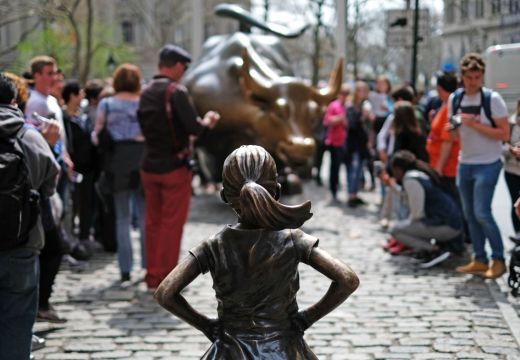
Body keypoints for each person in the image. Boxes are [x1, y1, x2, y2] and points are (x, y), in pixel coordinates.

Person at [154, 145, 360, 359]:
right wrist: (307, 318)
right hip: (284, 350)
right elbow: (347, 279)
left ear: (224, 196)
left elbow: (165, 293)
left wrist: (206, 325)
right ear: (277, 191)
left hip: (228, 350)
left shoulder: (213, 246)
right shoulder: (293, 240)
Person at [137, 44, 220, 289]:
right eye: (183, 67)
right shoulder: (176, 91)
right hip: (174, 166)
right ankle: (166, 277)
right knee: (171, 223)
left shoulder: (146, 91)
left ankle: (152, 274)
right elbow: (195, 129)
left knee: (152, 222)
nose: (184, 72)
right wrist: (208, 122)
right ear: (174, 65)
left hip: (149, 165)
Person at [0, 74, 60, 360]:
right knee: (18, 322)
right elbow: (49, 186)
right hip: (21, 242)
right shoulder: (28, 135)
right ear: (14, 100)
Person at [450, 53, 510, 279]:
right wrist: (453, 127)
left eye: (477, 77)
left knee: (482, 212)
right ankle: (479, 258)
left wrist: (474, 124)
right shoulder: (456, 99)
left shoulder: (492, 99)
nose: (473, 81)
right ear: (462, 77)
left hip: (488, 162)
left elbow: (504, 134)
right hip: (465, 162)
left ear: (482, 76)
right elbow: (455, 134)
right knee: (470, 214)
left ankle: (498, 258)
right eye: (469, 77)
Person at [92, 64, 145, 283]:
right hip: (141, 160)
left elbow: (96, 135)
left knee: (122, 217)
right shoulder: (143, 103)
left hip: (116, 162)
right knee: (143, 217)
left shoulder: (107, 103)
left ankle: (125, 268)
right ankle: (148, 264)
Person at [385, 150, 463, 267]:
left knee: (395, 230)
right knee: (405, 225)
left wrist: (405, 224)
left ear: (398, 169)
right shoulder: (419, 174)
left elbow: (417, 214)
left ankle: (433, 250)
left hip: (448, 226)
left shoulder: (411, 180)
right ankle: (429, 249)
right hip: (451, 223)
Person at [345, 81, 373, 207]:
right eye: (360, 90)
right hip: (353, 143)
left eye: (364, 90)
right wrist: (362, 116)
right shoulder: (350, 106)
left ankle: (355, 194)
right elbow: (351, 125)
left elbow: (368, 127)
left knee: (360, 169)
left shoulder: (366, 105)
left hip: (362, 143)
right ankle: (351, 195)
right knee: (354, 169)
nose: (362, 93)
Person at [323, 84, 349, 201]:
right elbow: (328, 121)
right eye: (343, 94)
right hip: (335, 142)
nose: (345, 97)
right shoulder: (334, 106)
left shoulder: (349, 107)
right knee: (335, 168)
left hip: (346, 142)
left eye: (347, 94)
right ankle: (333, 190)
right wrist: (341, 118)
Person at [504, 99, 520, 245]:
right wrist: (511, 150)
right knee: (515, 205)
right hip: (512, 170)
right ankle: (518, 237)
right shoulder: (511, 123)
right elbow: (502, 144)